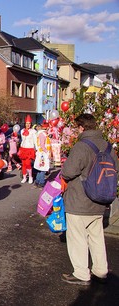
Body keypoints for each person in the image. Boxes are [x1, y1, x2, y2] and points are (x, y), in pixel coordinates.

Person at [60, 114, 119, 285]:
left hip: (80, 200)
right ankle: (101, 271)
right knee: (96, 237)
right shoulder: (108, 146)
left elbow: (68, 171)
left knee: (77, 237)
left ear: (81, 127)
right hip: (100, 201)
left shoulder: (81, 146)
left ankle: (81, 273)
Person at [18, 115, 37, 184]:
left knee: (28, 163)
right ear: (25, 124)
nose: (28, 125)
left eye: (29, 123)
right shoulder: (22, 131)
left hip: (30, 149)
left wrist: (37, 149)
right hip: (23, 149)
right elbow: (22, 140)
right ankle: (24, 177)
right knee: (23, 164)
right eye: (26, 123)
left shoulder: (33, 131)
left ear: (31, 124)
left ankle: (30, 177)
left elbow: (35, 141)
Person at [33, 123, 50, 188]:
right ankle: (41, 182)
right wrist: (47, 151)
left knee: (40, 168)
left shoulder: (42, 134)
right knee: (43, 168)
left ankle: (37, 182)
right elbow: (42, 145)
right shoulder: (42, 134)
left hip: (41, 153)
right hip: (43, 154)